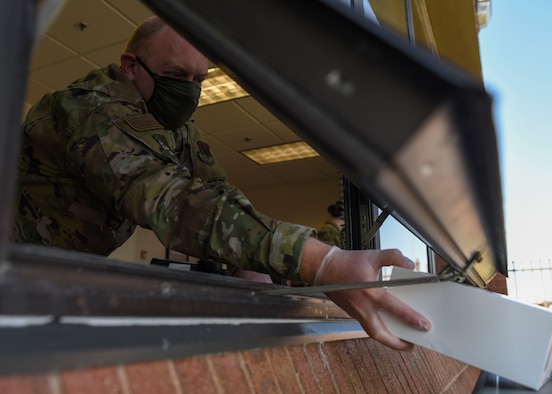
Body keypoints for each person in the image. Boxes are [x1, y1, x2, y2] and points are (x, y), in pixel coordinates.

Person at [11, 16, 431, 350]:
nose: (189, 92)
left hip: (57, 272)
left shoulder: (175, 128)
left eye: (199, 80)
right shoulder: (90, 112)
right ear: (130, 67)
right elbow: (174, 202)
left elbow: (218, 192)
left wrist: (251, 265)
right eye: (177, 75)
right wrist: (319, 261)